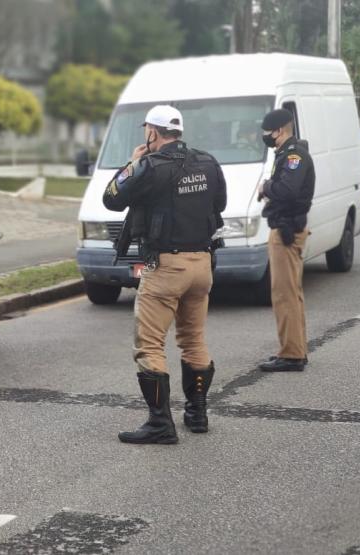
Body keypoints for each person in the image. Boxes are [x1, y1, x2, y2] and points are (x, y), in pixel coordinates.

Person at [103, 105, 227, 444]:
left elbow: (111, 198)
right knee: (193, 339)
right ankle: (197, 414)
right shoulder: (208, 162)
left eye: (147, 129)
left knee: (149, 344)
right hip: (202, 263)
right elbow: (219, 204)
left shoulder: (149, 166)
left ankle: (160, 424)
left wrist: (132, 163)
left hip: (165, 266)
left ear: (152, 132)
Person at [257, 109, 314, 372]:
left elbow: (288, 191)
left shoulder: (294, 155)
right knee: (291, 293)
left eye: (267, 132)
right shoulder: (286, 153)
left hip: (286, 230)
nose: (265, 136)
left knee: (284, 294)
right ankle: (296, 349)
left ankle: (291, 355)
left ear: (279, 130)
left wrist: (265, 187)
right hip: (286, 227)